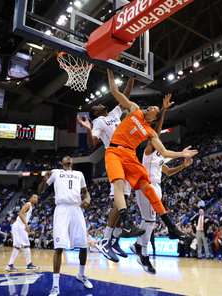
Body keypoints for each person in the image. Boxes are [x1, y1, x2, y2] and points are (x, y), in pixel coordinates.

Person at [105, 69, 198, 241]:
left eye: (153, 109)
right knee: (119, 184)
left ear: (154, 117)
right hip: (114, 151)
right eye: (151, 106)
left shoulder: (150, 132)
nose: (150, 107)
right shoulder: (135, 109)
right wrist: (110, 70)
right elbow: (115, 92)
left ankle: (171, 227)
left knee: (149, 188)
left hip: (129, 155)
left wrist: (181, 153)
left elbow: (163, 151)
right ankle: (126, 223)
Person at [76, 59, 136, 262]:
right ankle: (105, 239)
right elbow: (93, 145)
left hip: (127, 155)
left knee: (125, 201)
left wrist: (131, 77)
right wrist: (88, 129)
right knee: (120, 199)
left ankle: (115, 240)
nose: (102, 103)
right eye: (98, 105)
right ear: (96, 112)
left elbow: (124, 97)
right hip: (115, 157)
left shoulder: (113, 114)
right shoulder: (99, 121)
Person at [130, 94, 193, 274]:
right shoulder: (150, 149)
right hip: (145, 185)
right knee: (149, 221)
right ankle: (143, 254)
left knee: (149, 221)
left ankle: (138, 247)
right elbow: (157, 127)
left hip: (156, 186)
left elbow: (169, 172)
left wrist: (183, 165)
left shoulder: (159, 156)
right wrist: (163, 110)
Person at [38, 156, 93, 296]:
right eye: (65, 158)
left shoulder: (79, 174)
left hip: (76, 208)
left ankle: (81, 275)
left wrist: (88, 197)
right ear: (62, 163)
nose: (68, 157)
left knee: (83, 245)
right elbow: (40, 191)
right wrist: (44, 181)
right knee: (59, 247)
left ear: (72, 162)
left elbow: (85, 191)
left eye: (70, 157)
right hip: (62, 209)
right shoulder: (56, 172)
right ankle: (55, 286)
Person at [5, 193, 40, 272]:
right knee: (26, 245)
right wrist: (26, 224)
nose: (36, 199)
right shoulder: (28, 205)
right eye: (34, 197)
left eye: (37, 198)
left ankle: (10, 265)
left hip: (18, 225)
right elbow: (20, 213)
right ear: (30, 198)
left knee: (17, 246)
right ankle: (29, 265)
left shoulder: (31, 206)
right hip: (19, 225)